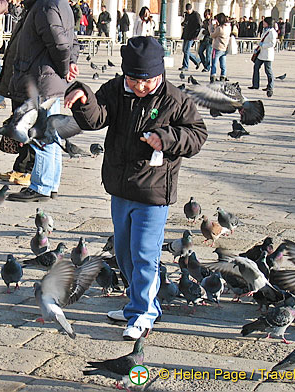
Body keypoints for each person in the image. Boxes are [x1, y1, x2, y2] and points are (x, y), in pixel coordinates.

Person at [63, 36, 207, 340]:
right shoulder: (117, 88)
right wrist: (84, 98)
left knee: (144, 254)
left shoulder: (175, 99)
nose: (140, 86)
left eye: (147, 80)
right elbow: (97, 117)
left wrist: (166, 139)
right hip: (120, 187)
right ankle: (136, 304)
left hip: (153, 193)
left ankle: (144, 312)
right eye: (133, 79)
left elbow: (197, 135)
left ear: (160, 74)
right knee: (125, 253)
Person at [6, 0, 80, 202]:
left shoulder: (46, 6)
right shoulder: (61, 4)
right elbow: (72, 42)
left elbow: (61, 44)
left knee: (41, 135)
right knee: (51, 135)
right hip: (48, 79)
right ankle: (50, 183)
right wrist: (70, 63)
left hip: (41, 80)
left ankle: (41, 186)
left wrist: (65, 68)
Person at [249, 16, 277, 97]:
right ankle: (255, 84)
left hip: (268, 54)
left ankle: (270, 86)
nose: (263, 23)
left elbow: (272, 44)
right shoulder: (265, 31)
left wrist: (263, 45)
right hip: (261, 53)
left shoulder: (272, 32)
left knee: (268, 70)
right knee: (256, 67)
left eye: (264, 22)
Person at [209, 12, 231, 83]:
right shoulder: (228, 27)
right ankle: (223, 76)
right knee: (223, 64)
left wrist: (210, 26)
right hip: (224, 48)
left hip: (217, 48)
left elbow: (212, 35)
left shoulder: (219, 28)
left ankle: (213, 76)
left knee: (214, 63)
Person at [179, 3, 202, 71]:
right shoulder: (186, 14)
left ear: (191, 9)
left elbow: (199, 25)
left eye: (189, 10)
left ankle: (185, 66)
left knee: (186, 51)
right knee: (184, 50)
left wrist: (196, 35)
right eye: (187, 10)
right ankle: (197, 60)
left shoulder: (196, 15)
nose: (188, 11)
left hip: (192, 35)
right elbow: (185, 22)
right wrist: (183, 23)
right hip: (186, 34)